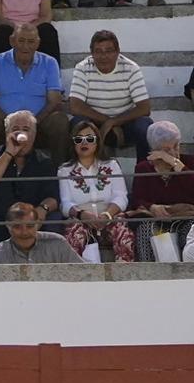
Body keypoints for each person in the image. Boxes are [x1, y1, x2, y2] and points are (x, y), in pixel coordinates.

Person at [0, 109, 60, 260]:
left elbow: (53, 197)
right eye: (15, 129)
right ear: (7, 133)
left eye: (26, 130)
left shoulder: (44, 162)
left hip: (30, 222)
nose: (21, 134)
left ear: (34, 134)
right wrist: (9, 154)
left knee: (55, 218)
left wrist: (43, 209)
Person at [0, 24, 67, 162]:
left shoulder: (50, 63)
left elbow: (54, 101)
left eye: (31, 41)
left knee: (59, 120)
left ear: (38, 43)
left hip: (39, 124)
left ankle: (60, 172)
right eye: (21, 40)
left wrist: (32, 124)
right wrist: (11, 124)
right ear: (12, 41)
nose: (26, 46)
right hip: (4, 124)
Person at [68, 30, 153, 162]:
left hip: (125, 125)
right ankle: (81, 172)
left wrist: (114, 122)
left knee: (145, 126)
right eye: (98, 51)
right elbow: (75, 106)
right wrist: (107, 121)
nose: (104, 56)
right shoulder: (83, 68)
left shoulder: (131, 68)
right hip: (95, 125)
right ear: (92, 53)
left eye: (109, 51)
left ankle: (143, 175)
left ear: (118, 51)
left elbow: (144, 108)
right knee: (77, 123)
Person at [57, 117, 133, 263]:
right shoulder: (64, 170)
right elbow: (65, 203)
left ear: (97, 142)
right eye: (79, 139)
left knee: (122, 230)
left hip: (109, 215)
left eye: (89, 138)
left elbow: (121, 197)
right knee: (74, 233)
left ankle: (124, 274)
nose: (84, 142)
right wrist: (82, 215)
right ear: (73, 144)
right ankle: (75, 279)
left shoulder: (111, 165)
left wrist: (107, 215)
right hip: (81, 218)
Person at [127, 120, 194, 261]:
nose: (174, 153)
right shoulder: (143, 168)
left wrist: (176, 165)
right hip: (157, 220)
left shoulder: (189, 163)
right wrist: (152, 207)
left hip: (185, 218)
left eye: (176, 146)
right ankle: (147, 273)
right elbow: (137, 199)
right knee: (145, 228)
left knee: (190, 231)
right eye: (167, 150)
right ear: (155, 151)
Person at [0, 201, 85, 263]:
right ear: (8, 226)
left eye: (29, 226)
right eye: (17, 227)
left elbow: (82, 273)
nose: (24, 232)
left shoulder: (57, 243)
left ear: (38, 224)